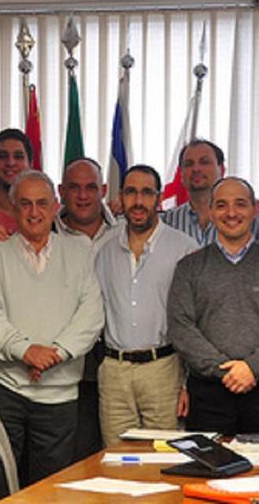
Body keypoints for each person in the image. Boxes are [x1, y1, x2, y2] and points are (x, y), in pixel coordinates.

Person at [0, 170, 104, 485]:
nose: (34, 212)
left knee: (50, 487)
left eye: (42, 203)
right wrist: (27, 351)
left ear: (56, 205)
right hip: (3, 387)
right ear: (13, 208)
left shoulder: (79, 250)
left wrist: (54, 354)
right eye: (25, 204)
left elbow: (91, 314)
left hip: (59, 396)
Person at [168, 177, 259, 436]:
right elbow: (181, 327)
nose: (231, 213)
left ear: (255, 209)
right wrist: (225, 371)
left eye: (240, 204)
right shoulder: (189, 267)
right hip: (209, 393)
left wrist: (252, 367)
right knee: (210, 472)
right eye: (221, 205)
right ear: (210, 211)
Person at [95, 165, 197, 446]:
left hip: (163, 369)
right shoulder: (102, 248)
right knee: (116, 462)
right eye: (131, 192)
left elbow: (196, 320)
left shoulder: (185, 248)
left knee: (164, 460)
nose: (138, 201)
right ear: (120, 196)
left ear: (159, 198)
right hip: (114, 371)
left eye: (146, 193)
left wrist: (188, 383)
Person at [55, 156, 121, 460]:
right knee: (75, 452)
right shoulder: (46, 236)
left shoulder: (123, 232)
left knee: (115, 451)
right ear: (61, 191)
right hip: (65, 358)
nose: (82, 196)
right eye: (74, 187)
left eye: (91, 187)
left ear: (104, 190)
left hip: (114, 354)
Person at [161, 139, 259, 249]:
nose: (196, 168)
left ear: (221, 169)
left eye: (204, 162)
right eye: (188, 164)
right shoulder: (167, 222)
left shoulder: (254, 220)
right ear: (180, 174)